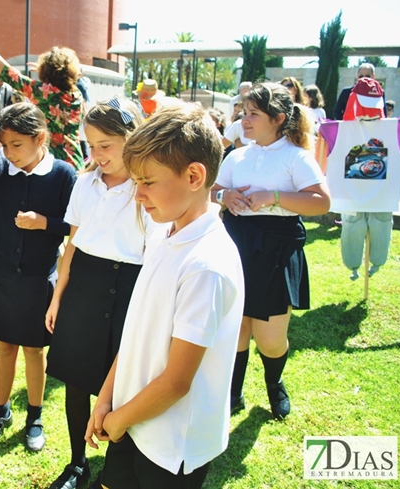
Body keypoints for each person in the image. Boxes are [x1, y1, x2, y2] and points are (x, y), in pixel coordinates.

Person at [85, 103, 244, 489]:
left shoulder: (205, 265)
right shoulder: (163, 233)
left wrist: (118, 419)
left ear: (194, 175)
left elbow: (176, 382)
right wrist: (107, 398)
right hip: (133, 417)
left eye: (148, 182)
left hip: (172, 445)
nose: (138, 194)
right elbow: (137, 332)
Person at [0, 102, 76, 453]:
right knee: (5, 347)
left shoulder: (63, 175)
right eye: (4, 146)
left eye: (16, 145)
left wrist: (45, 224)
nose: (10, 153)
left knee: (34, 351)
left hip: (39, 278)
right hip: (1, 276)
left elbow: (75, 224)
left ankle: (34, 417)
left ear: (40, 139)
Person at [44, 98, 152, 489]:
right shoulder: (84, 183)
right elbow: (72, 245)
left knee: (121, 382)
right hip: (84, 285)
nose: (98, 154)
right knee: (76, 379)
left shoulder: (145, 190)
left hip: (129, 288)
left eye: (106, 144)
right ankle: (77, 463)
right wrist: (58, 297)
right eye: (91, 145)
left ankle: (114, 465)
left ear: (131, 138)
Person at [211, 82, 331, 419]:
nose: (244, 120)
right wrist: (224, 197)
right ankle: (232, 393)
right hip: (236, 245)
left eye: (253, 115)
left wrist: (274, 197)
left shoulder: (297, 157)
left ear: (278, 118)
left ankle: (274, 383)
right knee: (236, 327)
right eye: (244, 113)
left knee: (270, 338)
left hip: (276, 250)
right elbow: (210, 193)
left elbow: (321, 202)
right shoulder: (237, 155)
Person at [0, 11, 85, 171]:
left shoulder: (43, 93)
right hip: (76, 162)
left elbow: (6, 73)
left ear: (45, 71)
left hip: (53, 167)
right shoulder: (77, 96)